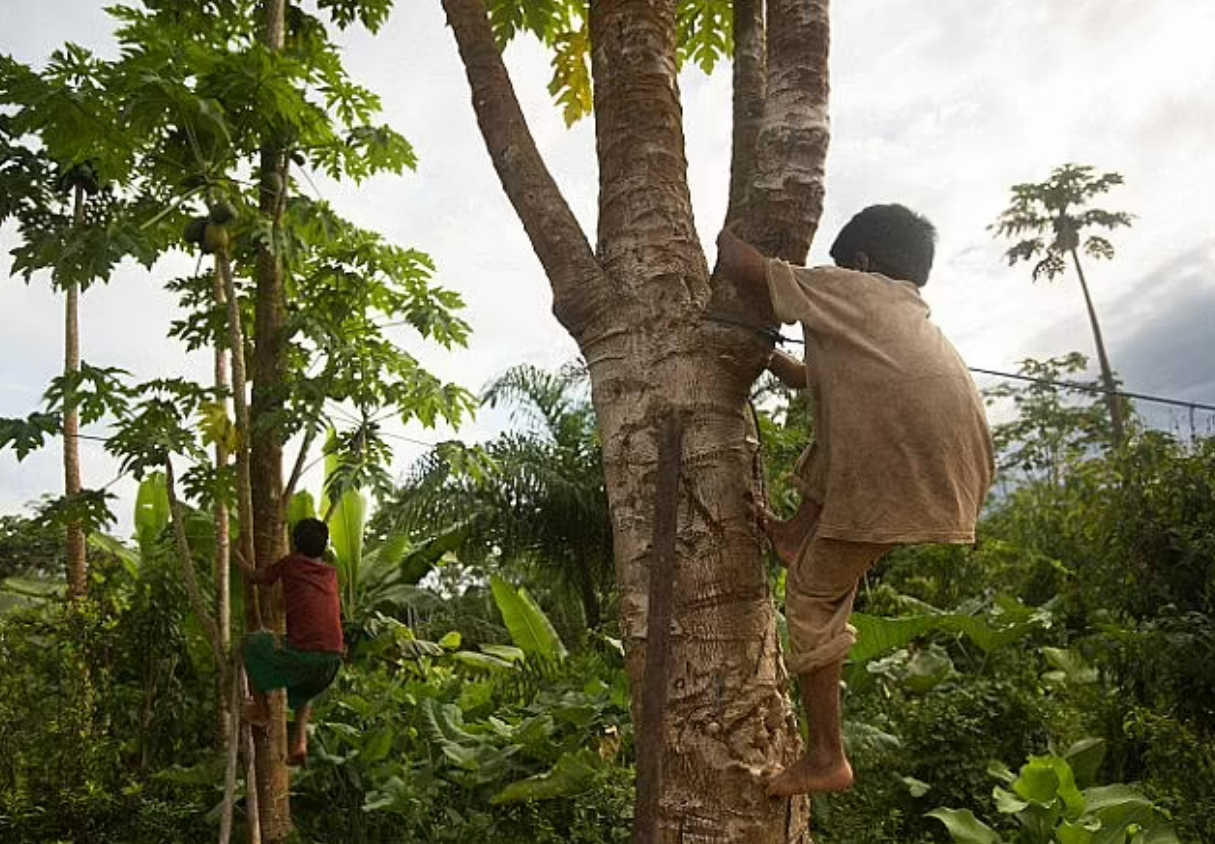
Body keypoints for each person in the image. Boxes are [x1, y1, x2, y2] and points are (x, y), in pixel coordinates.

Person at [716, 204, 994, 797]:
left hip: (905, 474)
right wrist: (770, 357)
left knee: (813, 599)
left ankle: (825, 757)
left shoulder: (851, 289)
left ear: (861, 264)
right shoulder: (899, 316)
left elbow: (745, 267)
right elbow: (815, 379)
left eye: (839, 265)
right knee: (840, 429)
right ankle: (793, 535)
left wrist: (714, 229)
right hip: (951, 469)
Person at [235, 517, 344, 766]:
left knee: (250, 645)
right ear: (324, 546)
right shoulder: (331, 573)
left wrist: (237, 556)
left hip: (307, 654)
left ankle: (261, 711)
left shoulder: (291, 564)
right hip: (332, 660)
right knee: (306, 685)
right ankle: (300, 742)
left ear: (295, 545)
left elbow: (255, 578)